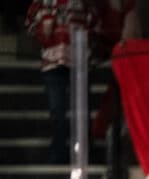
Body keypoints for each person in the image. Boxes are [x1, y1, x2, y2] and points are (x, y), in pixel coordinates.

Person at [25, 0, 99, 165]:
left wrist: (85, 36)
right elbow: (30, 24)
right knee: (57, 109)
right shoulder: (42, 3)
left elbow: (96, 23)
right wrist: (42, 31)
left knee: (81, 111)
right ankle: (58, 153)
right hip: (52, 62)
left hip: (79, 61)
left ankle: (84, 154)